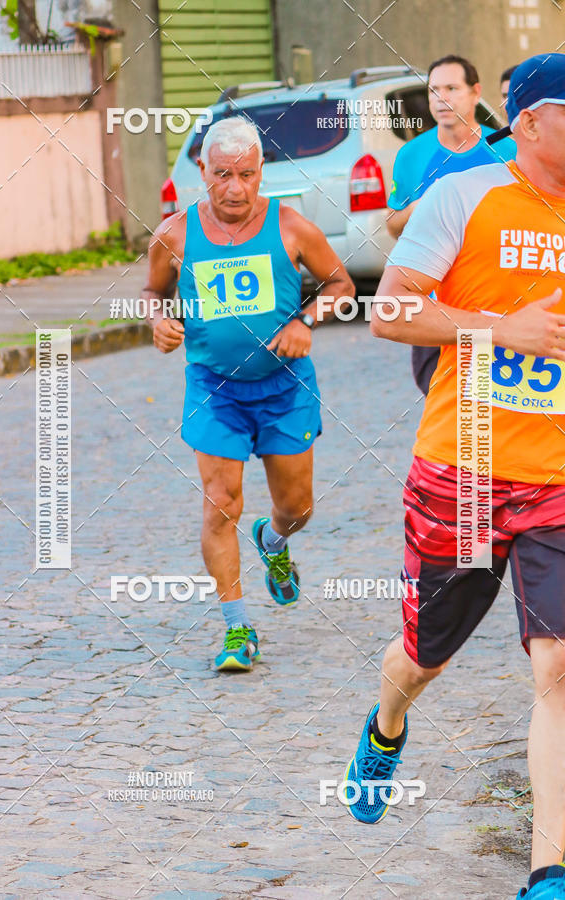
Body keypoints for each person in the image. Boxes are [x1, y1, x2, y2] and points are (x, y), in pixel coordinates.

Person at [345, 53, 565, 900]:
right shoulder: (463, 195)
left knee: (557, 667)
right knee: (423, 656)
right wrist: (500, 329)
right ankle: (387, 721)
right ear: (532, 121)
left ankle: (547, 868)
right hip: (464, 471)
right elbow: (390, 311)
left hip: (556, 478)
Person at [143, 117, 354, 672]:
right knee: (220, 503)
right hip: (214, 388)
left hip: (285, 386)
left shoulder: (291, 227)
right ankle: (237, 627)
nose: (234, 189)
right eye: (221, 175)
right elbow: (152, 290)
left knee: (297, 506)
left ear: (263, 172)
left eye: (246, 174)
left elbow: (342, 285)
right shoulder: (174, 234)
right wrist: (158, 319)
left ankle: (274, 540)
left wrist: (307, 320)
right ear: (201, 172)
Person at [386, 55, 517, 395]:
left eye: (451, 88)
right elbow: (393, 224)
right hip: (434, 306)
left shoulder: (508, 147)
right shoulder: (411, 154)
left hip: (497, 302)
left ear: (475, 92)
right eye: (434, 90)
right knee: (445, 401)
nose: (441, 98)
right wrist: (422, 207)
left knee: (495, 407)